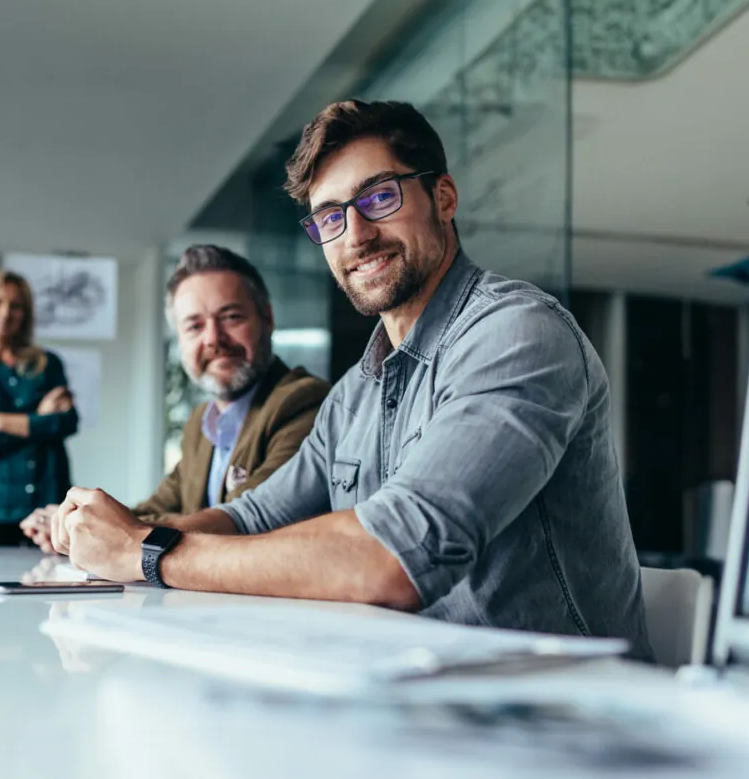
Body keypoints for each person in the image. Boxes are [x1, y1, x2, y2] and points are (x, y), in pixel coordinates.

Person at [48, 100, 652, 657]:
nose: (355, 235)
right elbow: (252, 517)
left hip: (562, 723)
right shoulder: (355, 394)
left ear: (444, 196)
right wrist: (120, 530)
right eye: (329, 217)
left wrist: (147, 554)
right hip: (416, 695)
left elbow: (395, 558)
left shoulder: (516, 334)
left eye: (380, 197)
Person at [22, 245, 330, 551]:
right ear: (180, 339)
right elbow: (153, 508)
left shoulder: (302, 402)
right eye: (194, 326)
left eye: (231, 316)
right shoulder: (202, 422)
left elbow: (247, 518)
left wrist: (113, 531)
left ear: (267, 319)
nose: (213, 339)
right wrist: (76, 523)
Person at [0, 270, 78, 546]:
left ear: (25, 313)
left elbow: (67, 423)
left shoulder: (48, 364)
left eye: (16, 305)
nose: (6, 312)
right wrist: (39, 418)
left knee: (54, 584)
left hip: (48, 502)